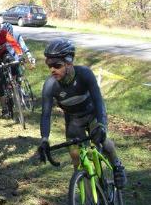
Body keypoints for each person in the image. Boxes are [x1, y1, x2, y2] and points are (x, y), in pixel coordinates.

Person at [38, 38, 126, 189]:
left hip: (92, 115)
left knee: (104, 143)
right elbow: (46, 114)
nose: (52, 70)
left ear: (69, 62)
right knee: (76, 159)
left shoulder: (85, 74)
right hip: (73, 122)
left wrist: (101, 125)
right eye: (49, 65)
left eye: (57, 65)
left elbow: (99, 101)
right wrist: (44, 139)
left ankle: (117, 165)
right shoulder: (50, 85)